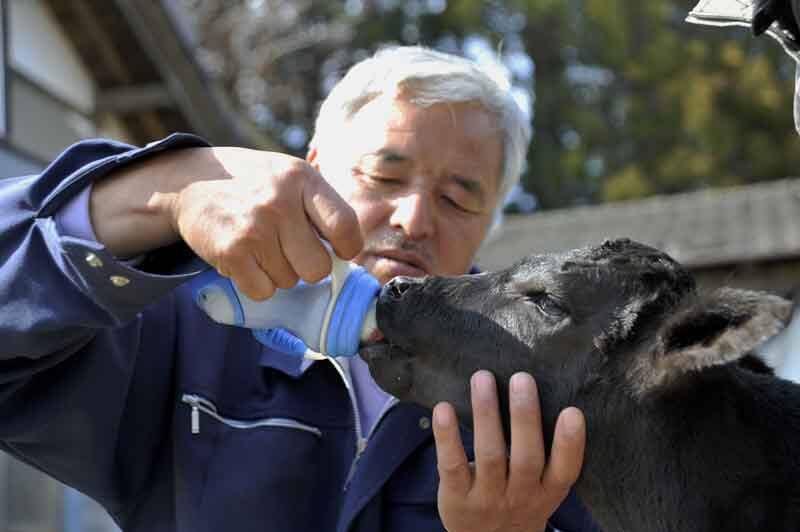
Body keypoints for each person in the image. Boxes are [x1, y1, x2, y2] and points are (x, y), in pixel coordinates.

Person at [0, 46, 597, 532]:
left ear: (492, 221)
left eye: (458, 198)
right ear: (314, 166)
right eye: (384, 175)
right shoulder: (188, 324)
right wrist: (165, 188)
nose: (414, 219)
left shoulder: (541, 392)